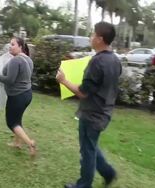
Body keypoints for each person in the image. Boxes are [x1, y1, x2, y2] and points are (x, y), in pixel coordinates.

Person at [56, 22, 122, 188]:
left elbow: (83, 92)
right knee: (90, 146)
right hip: (104, 113)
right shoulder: (115, 60)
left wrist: (63, 81)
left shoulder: (97, 62)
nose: (90, 37)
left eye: (93, 34)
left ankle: (84, 185)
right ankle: (109, 173)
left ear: (100, 39)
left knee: (87, 150)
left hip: (92, 114)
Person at [0, 37, 36, 156]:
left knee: (11, 123)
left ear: (20, 47)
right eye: (10, 44)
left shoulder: (15, 60)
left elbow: (10, 80)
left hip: (17, 96)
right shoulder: (28, 59)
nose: (10, 46)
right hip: (27, 94)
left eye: (13, 44)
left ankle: (30, 143)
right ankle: (17, 143)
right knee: (17, 119)